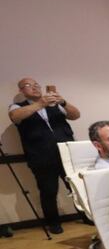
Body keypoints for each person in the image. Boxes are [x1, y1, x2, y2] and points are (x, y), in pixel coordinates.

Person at [8, 78, 81, 234]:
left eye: (37, 85)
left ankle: (86, 216)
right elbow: (15, 116)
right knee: (48, 191)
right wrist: (40, 104)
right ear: (21, 90)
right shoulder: (17, 107)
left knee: (76, 187)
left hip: (66, 154)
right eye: (29, 85)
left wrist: (63, 102)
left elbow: (76, 115)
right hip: (41, 158)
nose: (35, 87)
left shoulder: (55, 104)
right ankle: (53, 223)